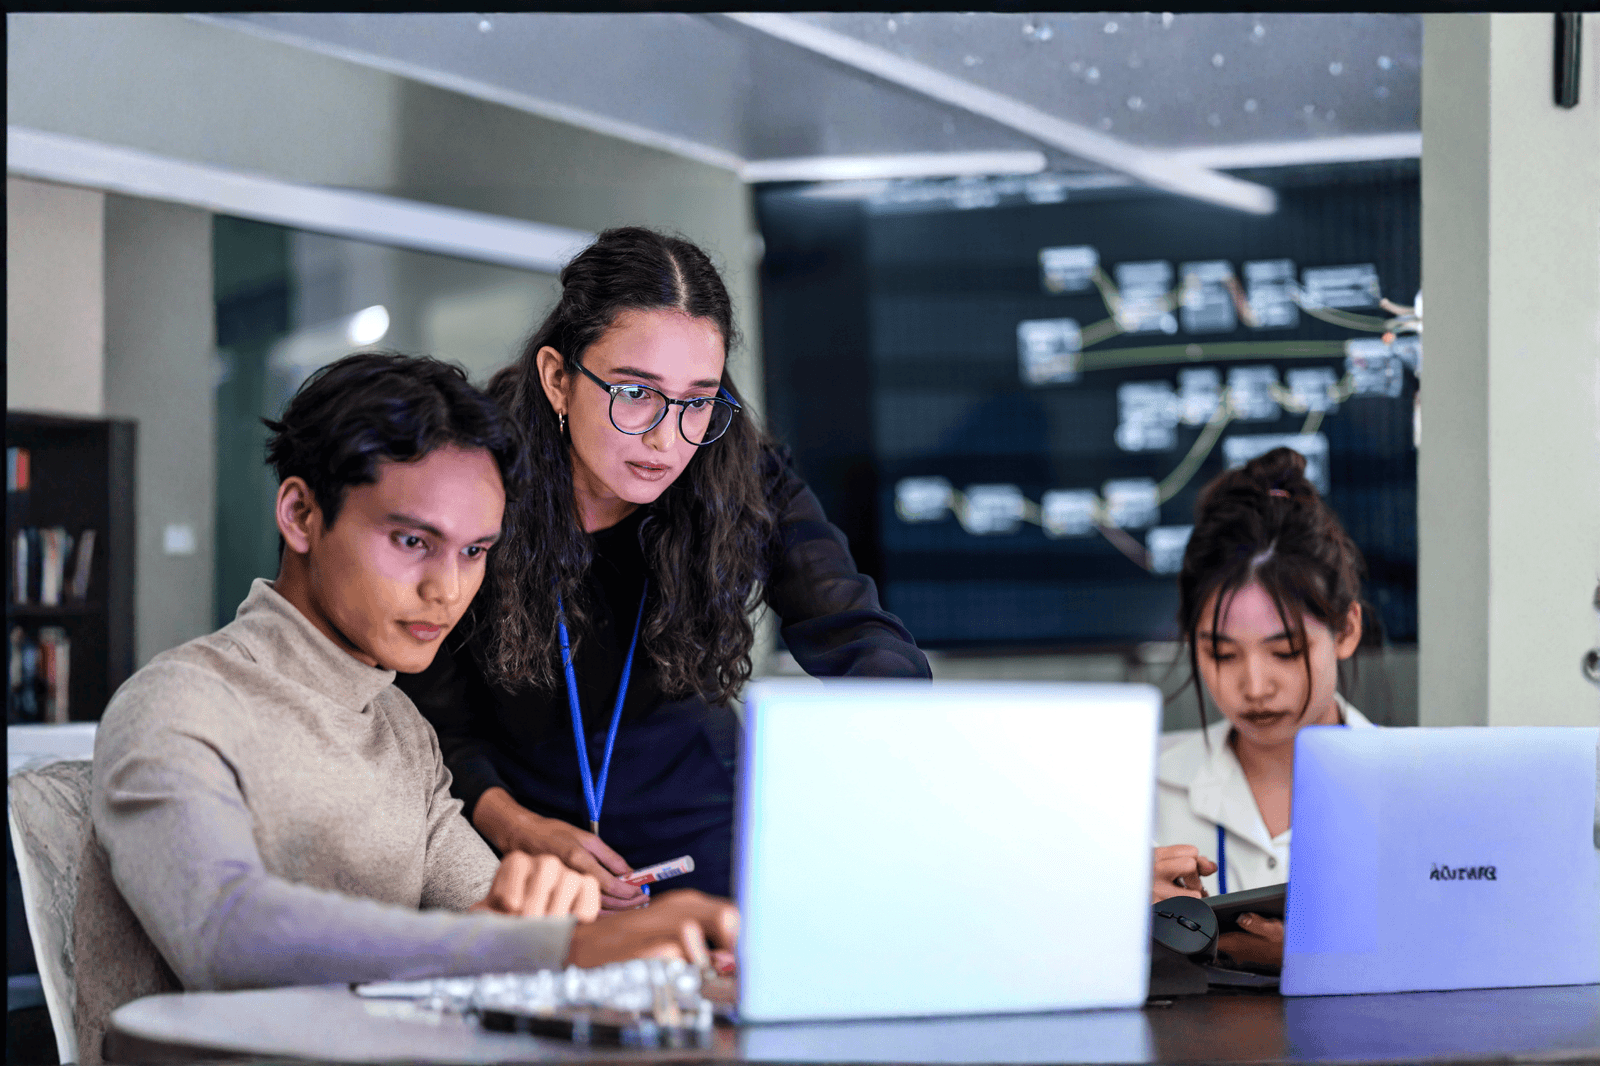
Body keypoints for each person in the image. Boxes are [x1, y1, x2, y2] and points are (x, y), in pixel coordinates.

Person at [77, 353, 737, 1062]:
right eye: (413, 541)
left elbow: (488, 919)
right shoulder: (178, 702)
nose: (447, 590)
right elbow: (223, 935)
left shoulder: (401, 728)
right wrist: (551, 945)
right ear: (300, 514)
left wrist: (573, 927)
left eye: (475, 551)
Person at [397, 227, 930, 906]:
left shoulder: (737, 472)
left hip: (702, 830)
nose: (665, 438)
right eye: (634, 393)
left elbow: (853, 628)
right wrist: (519, 829)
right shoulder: (475, 478)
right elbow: (429, 715)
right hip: (517, 841)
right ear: (558, 378)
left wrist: (899, 740)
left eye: (697, 400)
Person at [1150, 446, 1378, 968]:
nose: (1254, 687)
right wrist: (1115, 909)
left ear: (1346, 631)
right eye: (1222, 653)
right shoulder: (1135, 788)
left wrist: (1315, 959)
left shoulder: (1420, 789)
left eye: (1286, 651)